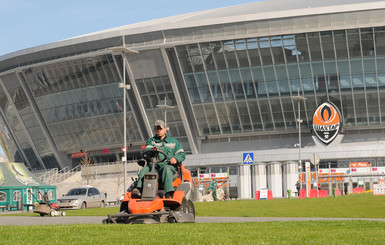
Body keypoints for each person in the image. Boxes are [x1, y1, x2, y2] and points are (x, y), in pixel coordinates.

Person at [133, 120, 186, 199]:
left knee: (167, 169)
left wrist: (176, 158)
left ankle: (168, 193)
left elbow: (182, 154)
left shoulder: (174, 142)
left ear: (165, 129)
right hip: (153, 166)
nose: (159, 131)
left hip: (167, 165)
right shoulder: (151, 141)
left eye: (160, 129)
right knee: (144, 170)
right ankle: (139, 189)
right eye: (157, 129)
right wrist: (152, 151)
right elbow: (147, 151)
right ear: (154, 130)